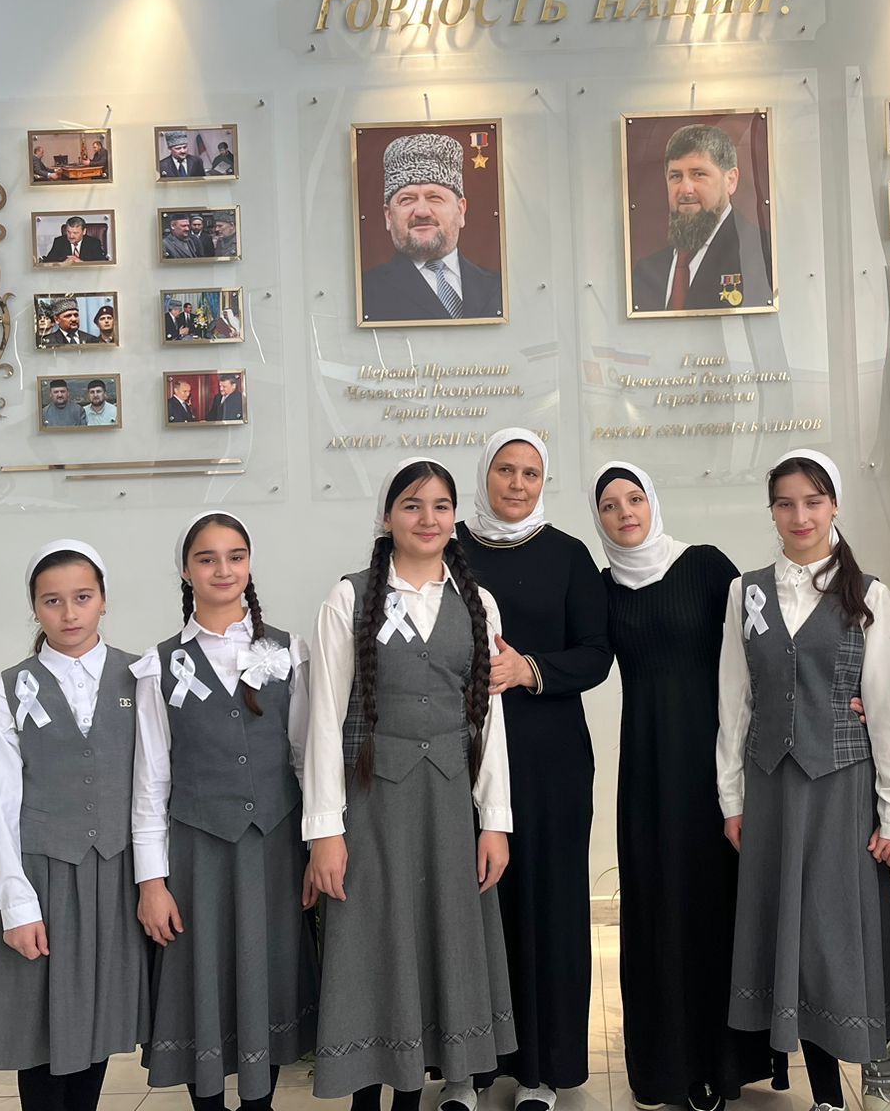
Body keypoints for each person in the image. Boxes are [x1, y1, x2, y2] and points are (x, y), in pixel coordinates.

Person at [304, 457, 516, 1111]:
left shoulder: (478, 602)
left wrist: (495, 822)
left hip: (448, 806)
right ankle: (367, 1096)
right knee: (374, 944)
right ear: (387, 516)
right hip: (372, 805)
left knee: (439, 942)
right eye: (412, 505)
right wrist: (324, 831)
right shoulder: (350, 598)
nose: (428, 519)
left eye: (441, 506)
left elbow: (489, 720)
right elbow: (323, 718)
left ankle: (422, 1091)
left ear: (455, 517)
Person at [718, 449, 890, 1111]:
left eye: (812, 501)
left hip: (841, 785)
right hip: (770, 785)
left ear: (834, 506)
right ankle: (825, 1092)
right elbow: (735, 701)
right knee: (789, 932)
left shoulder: (869, 594)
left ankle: (878, 1043)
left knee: (838, 928)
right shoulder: (745, 592)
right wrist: (731, 798)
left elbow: (887, 710)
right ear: (771, 511)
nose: (799, 515)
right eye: (785, 503)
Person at [589, 462, 774, 1111]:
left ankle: (728, 1063)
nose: (625, 513)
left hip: (717, 760)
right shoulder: (603, 589)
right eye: (609, 505)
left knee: (718, 905)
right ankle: (669, 1069)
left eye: (634, 498)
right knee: (657, 909)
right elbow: (579, 657)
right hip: (647, 769)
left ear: (653, 502)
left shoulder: (705, 565)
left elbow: (762, 649)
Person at [131, 512, 321, 1111]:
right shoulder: (159, 665)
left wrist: (314, 847)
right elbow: (150, 781)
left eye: (235, 556)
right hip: (197, 855)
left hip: (274, 848)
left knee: (269, 978)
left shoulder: (288, 651)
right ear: (185, 571)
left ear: (249, 564)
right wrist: (151, 882)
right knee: (203, 983)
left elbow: (304, 758)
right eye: (207, 558)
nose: (223, 569)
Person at [454, 428, 611, 1111]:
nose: (517, 484)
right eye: (505, 470)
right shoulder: (448, 547)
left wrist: (529, 669)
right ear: (484, 474)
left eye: (530, 473)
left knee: (547, 906)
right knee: (470, 907)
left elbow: (597, 653)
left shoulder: (569, 555)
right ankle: (466, 1065)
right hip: (458, 757)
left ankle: (542, 1068)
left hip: (549, 760)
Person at [0, 540, 149, 1111]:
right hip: (43, 879)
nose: (69, 613)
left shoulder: (142, 676)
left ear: (104, 600)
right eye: (52, 601)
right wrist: (16, 903)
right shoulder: (6, 691)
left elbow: (155, 785)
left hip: (115, 878)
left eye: (82, 597)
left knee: (98, 1024)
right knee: (42, 1031)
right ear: (34, 608)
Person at [629, 123, 774, 313]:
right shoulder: (646, 272)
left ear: (731, 180)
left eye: (698, 174)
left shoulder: (761, 255)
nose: (685, 189)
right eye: (675, 176)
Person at [360, 133, 503, 323]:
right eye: (407, 199)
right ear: (388, 216)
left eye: (435, 197)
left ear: (460, 210)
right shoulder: (363, 293)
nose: (422, 211)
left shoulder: (501, 288)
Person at [40, 216, 107, 264]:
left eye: (75, 233)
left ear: (84, 232)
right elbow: (48, 262)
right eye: (68, 232)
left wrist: (81, 263)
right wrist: (63, 264)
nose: (71, 236)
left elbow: (102, 264)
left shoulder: (94, 243)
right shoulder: (59, 242)